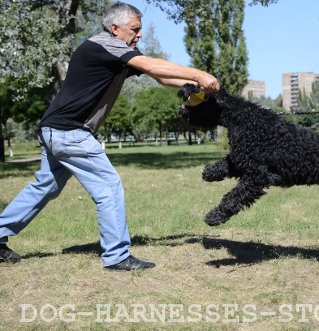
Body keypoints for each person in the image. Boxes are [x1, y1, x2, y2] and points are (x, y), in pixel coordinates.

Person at [0, 2, 219, 271]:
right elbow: (153, 64)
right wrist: (198, 73)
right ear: (115, 28)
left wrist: (197, 87)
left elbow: (158, 76)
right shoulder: (105, 45)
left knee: (45, 186)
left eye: (140, 30)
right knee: (108, 186)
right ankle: (116, 255)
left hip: (53, 129)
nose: (139, 35)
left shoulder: (118, 51)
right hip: (70, 131)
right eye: (135, 29)